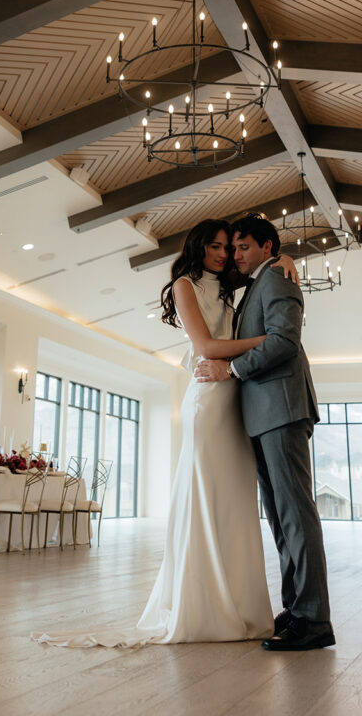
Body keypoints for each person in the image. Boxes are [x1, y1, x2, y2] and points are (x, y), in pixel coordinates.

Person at [33, 218, 297, 648]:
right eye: (215, 246)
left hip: (235, 399)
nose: (224, 254)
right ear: (198, 247)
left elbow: (263, 267)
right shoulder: (184, 286)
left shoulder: (230, 284)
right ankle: (203, 608)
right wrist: (267, 341)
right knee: (205, 497)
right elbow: (206, 348)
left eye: (228, 248)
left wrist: (286, 258)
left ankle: (242, 608)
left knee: (235, 504)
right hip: (208, 398)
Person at [196, 213, 335, 651]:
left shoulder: (275, 276)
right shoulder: (255, 282)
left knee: (295, 513)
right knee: (280, 517)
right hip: (262, 415)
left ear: (267, 248)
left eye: (243, 247)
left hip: (282, 409)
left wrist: (231, 369)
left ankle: (314, 621)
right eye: (232, 248)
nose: (235, 255)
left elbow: (284, 341)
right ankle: (295, 609)